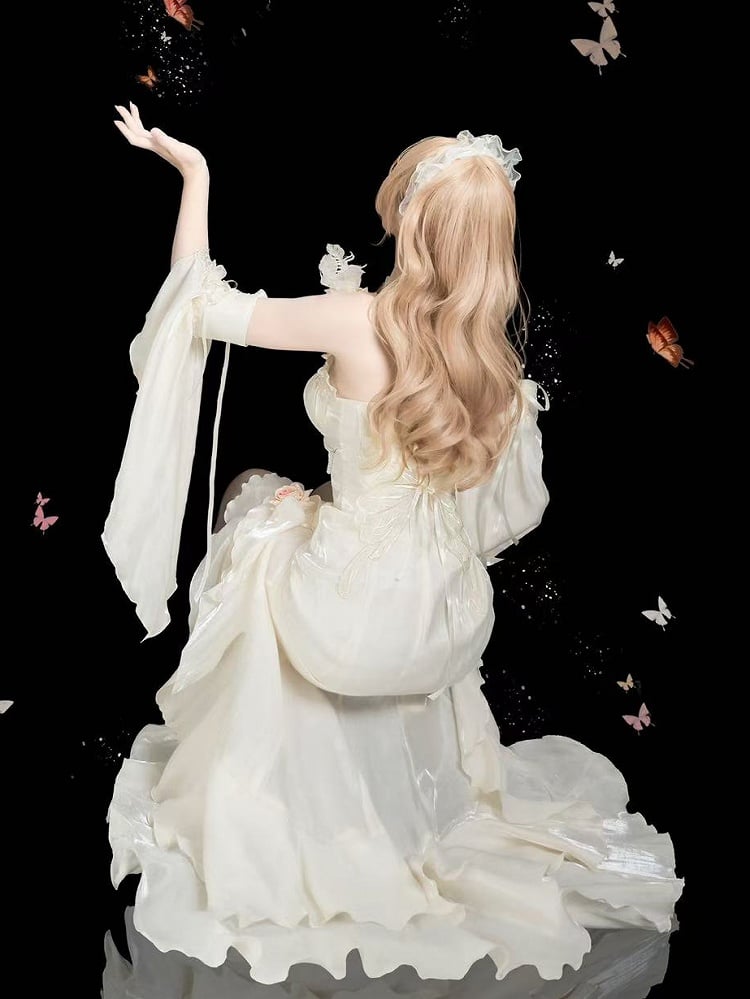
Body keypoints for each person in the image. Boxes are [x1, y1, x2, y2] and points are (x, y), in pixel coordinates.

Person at [103, 105, 682, 984]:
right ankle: (391, 804)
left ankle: (280, 802)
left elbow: (197, 309)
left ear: (415, 223)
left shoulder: (356, 319)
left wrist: (196, 176)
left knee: (255, 512)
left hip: (346, 619)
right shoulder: (493, 364)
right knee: (298, 510)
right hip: (444, 620)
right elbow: (502, 515)